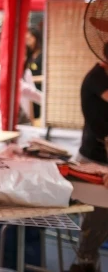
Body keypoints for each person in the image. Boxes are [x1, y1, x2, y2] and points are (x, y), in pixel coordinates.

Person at [69, 43, 108, 272]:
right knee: (95, 222)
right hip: (94, 162)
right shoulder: (96, 78)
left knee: (100, 223)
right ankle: (84, 264)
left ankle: (87, 262)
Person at [0, 46, 42, 156]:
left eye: (25, 54)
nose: (22, 58)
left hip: (15, 131)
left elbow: (29, 99)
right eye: (19, 54)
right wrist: (50, 102)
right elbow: (26, 90)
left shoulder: (24, 72)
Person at [26, 28, 43, 118]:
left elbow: (46, 76)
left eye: (30, 37)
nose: (28, 39)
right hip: (29, 91)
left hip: (38, 90)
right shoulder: (28, 56)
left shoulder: (42, 55)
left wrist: (33, 79)